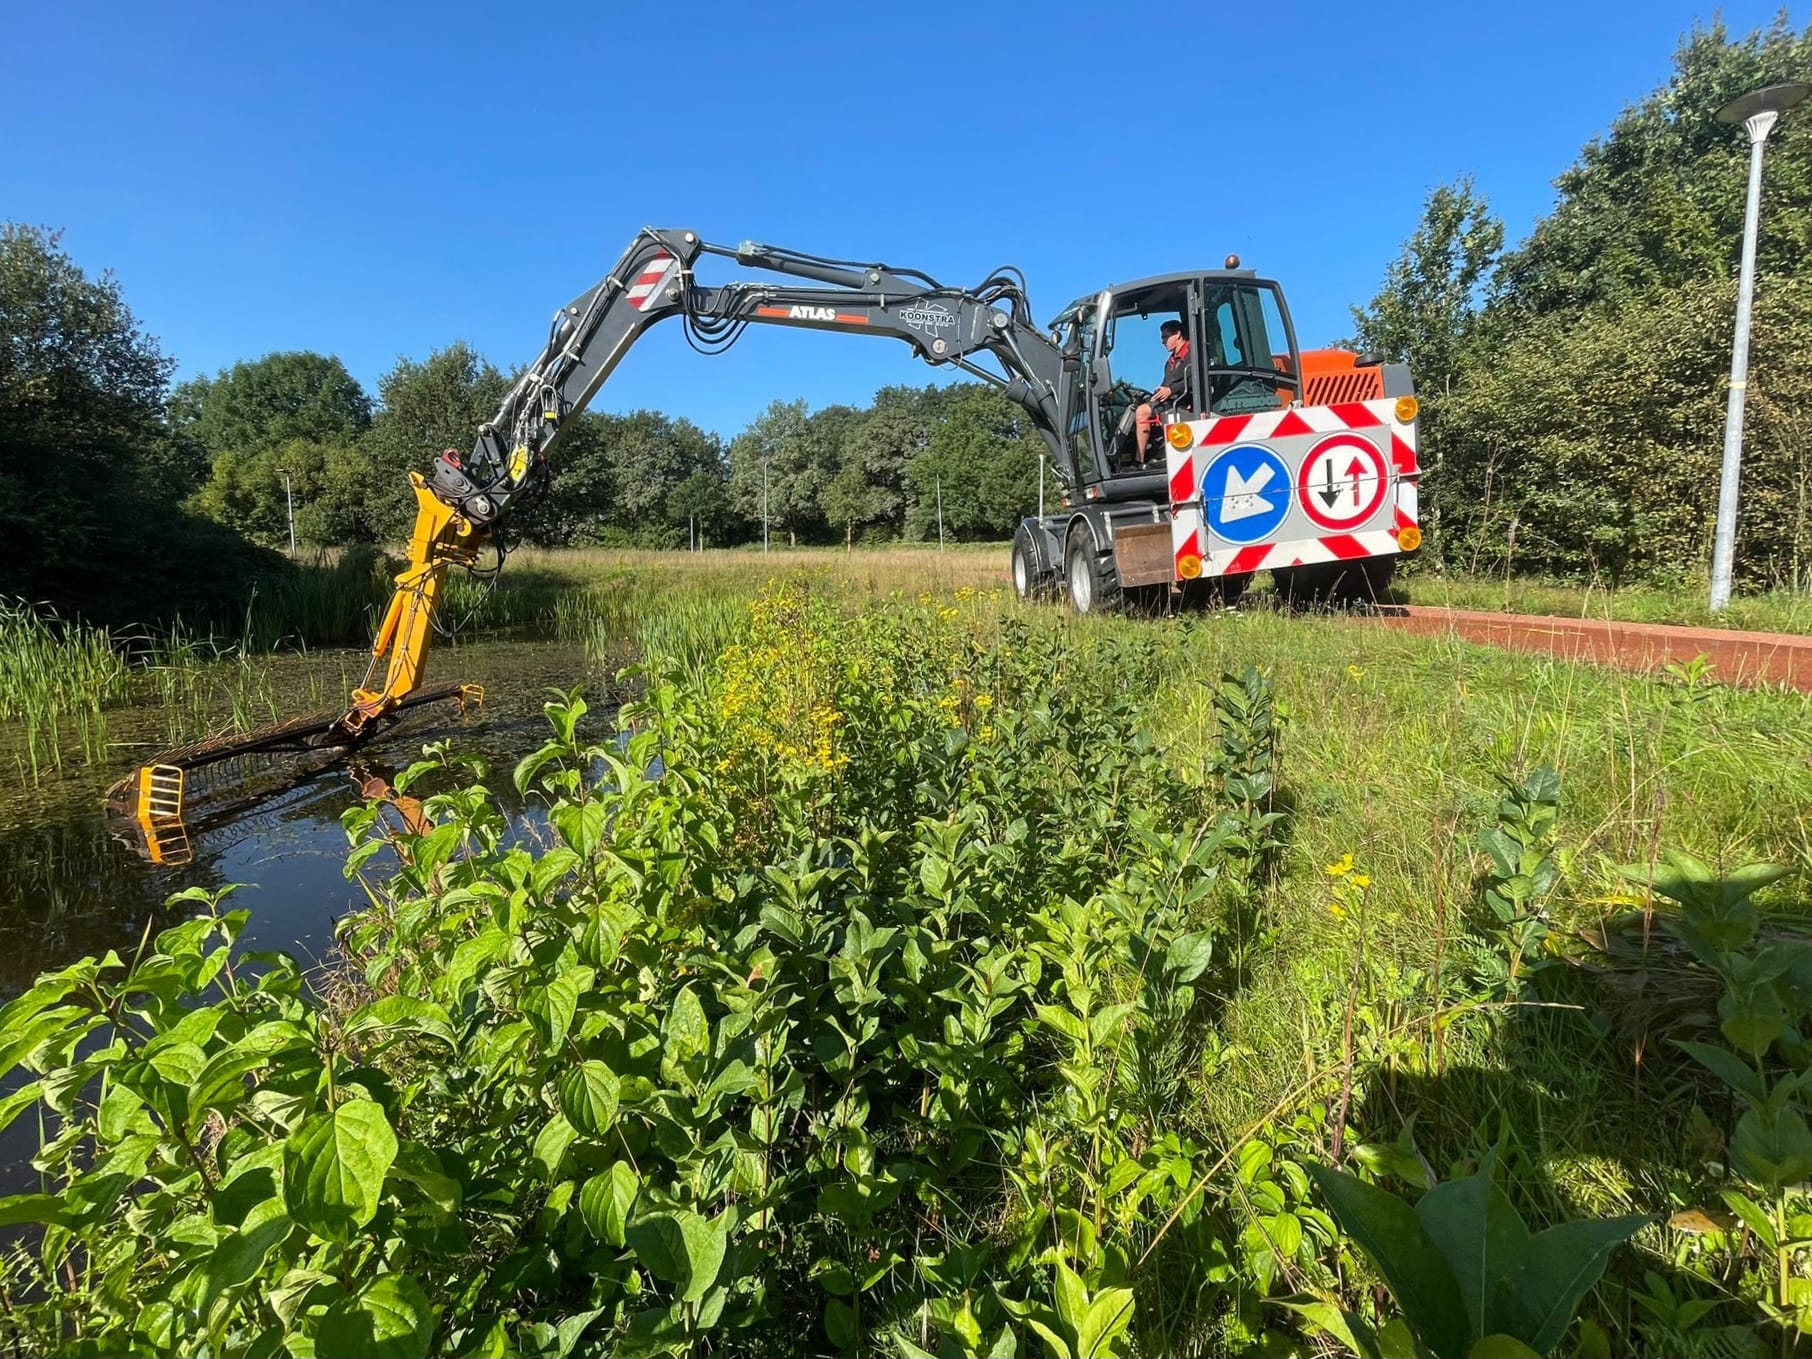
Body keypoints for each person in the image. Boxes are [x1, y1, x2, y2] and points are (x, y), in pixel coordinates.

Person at [1135, 320, 1191, 466]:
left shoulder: (1192, 354)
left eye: (1165, 337)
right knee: (1134, 408)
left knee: (1142, 413)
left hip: (1185, 401)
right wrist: (1159, 391)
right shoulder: (1170, 362)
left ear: (1178, 334)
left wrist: (1171, 390)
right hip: (1170, 400)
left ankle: (1139, 461)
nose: (1163, 342)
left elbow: (1196, 379)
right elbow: (1166, 384)